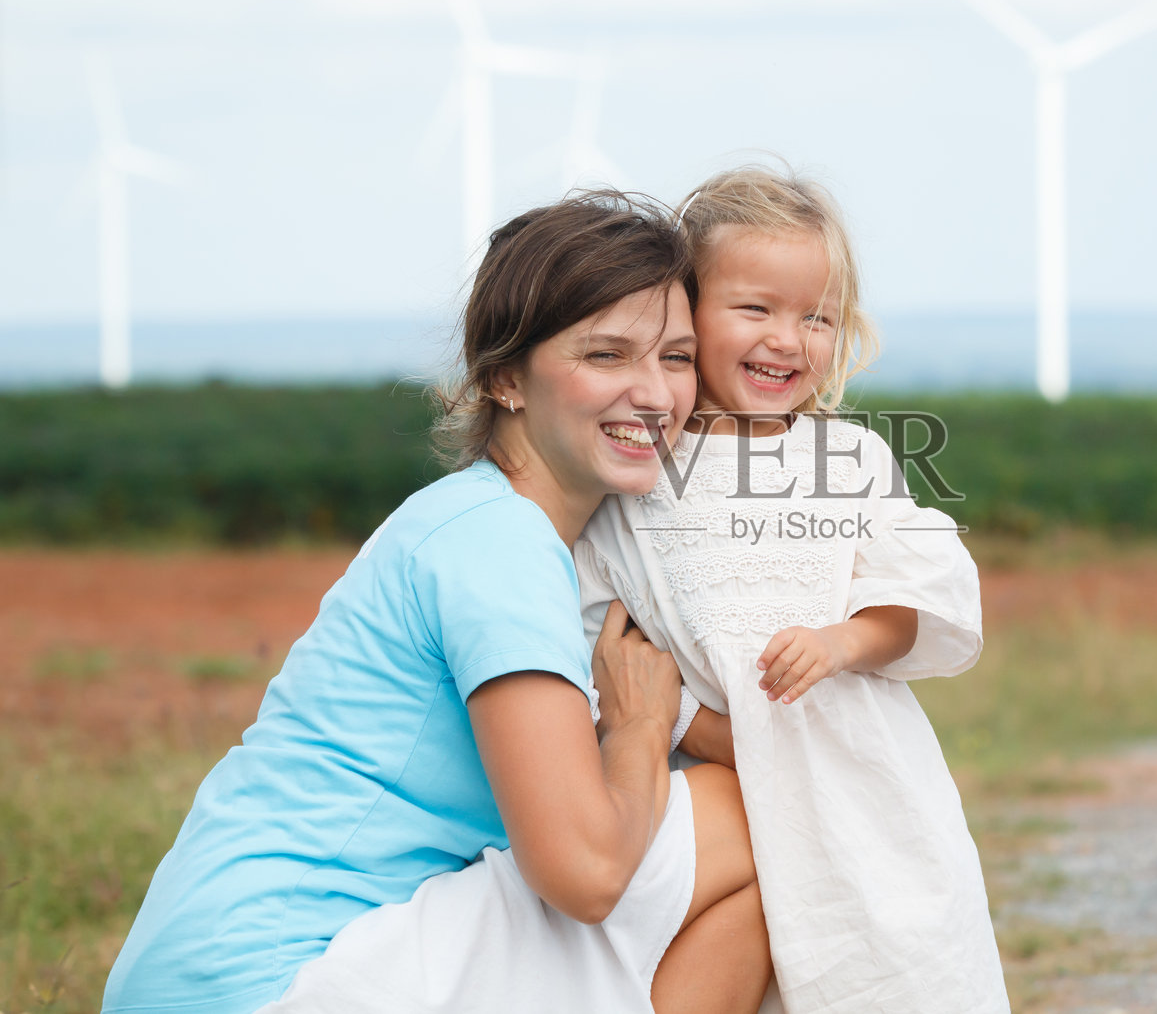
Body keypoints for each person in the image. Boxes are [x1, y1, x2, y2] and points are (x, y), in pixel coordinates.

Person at [102, 192, 772, 1014]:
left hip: (221, 976)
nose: (656, 392)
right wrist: (639, 727)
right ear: (503, 378)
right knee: (749, 814)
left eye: (676, 357)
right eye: (606, 354)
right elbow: (586, 873)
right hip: (275, 980)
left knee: (752, 880)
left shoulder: (476, 521)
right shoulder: (499, 541)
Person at [575, 167, 1010, 1013]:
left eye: (817, 316)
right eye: (756, 308)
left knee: (893, 968)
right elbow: (604, 637)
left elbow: (916, 597)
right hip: (721, 786)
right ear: (685, 310)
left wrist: (844, 640)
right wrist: (709, 733)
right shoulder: (642, 468)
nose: (788, 339)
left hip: (865, 786)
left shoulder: (848, 459)